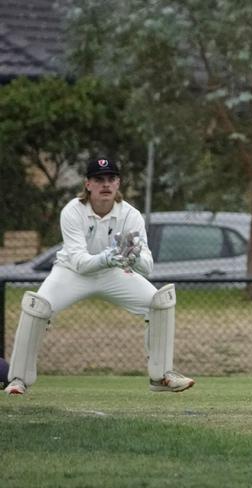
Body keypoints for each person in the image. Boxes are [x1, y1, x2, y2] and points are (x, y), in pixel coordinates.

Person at [4, 158, 195, 395]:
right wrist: (107, 257)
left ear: (118, 183)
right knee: (37, 307)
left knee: (160, 302)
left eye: (111, 179)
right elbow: (81, 263)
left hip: (113, 272)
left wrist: (133, 257)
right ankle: (18, 379)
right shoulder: (73, 211)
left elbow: (147, 267)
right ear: (87, 184)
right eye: (99, 179)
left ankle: (161, 376)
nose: (106, 184)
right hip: (71, 273)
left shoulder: (129, 215)